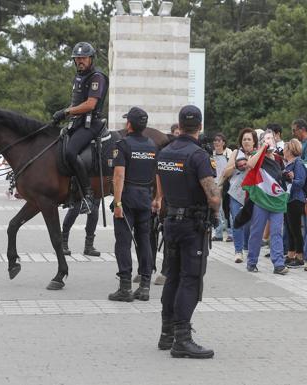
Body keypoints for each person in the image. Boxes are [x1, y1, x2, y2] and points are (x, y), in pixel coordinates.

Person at [156, 105, 219, 359]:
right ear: (200, 126)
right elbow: (213, 196)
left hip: (170, 221)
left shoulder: (165, 152)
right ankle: (182, 338)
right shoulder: (199, 155)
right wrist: (216, 211)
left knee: (172, 277)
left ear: (179, 125)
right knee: (190, 278)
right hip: (192, 225)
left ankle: (166, 333)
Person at [107, 107, 158, 302]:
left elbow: (119, 175)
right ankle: (144, 286)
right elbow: (157, 174)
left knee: (123, 243)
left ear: (129, 124)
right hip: (145, 197)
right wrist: (157, 198)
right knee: (144, 241)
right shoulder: (152, 145)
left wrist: (117, 202)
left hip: (127, 198)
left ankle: (125, 288)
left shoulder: (123, 145)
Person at [52, 42, 107, 214]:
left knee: (70, 151)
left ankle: (89, 195)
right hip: (77, 122)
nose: (80, 61)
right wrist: (63, 116)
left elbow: (90, 104)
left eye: (83, 58)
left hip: (92, 124)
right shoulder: (79, 77)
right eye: (77, 59)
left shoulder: (97, 77)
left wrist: (66, 111)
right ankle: (70, 192)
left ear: (91, 59)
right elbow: (76, 102)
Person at [245, 129, 289, 274]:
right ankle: (252, 261)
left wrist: (287, 176)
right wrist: (262, 149)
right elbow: (250, 165)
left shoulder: (278, 159)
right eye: (266, 139)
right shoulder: (258, 156)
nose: (269, 141)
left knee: (277, 232)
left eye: (271, 139)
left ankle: (278, 264)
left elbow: (280, 175)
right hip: (261, 200)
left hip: (276, 201)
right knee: (257, 231)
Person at [222, 128, 257, 263]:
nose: (246, 141)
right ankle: (238, 251)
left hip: (253, 193)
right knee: (237, 221)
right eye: (244, 139)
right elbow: (226, 172)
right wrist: (237, 166)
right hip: (236, 192)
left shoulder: (257, 154)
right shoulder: (236, 153)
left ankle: (248, 249)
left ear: (254, 141)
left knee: (250, 223)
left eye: (249, 139)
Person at [283, 139, 307, 268]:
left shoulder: (298, 163)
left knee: (295, 229)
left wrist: (291, 178)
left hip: (296, 200)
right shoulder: (289, 163)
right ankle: (290, 254)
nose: (284, 151)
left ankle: (299, 256)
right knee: (289, 228)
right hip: (288, 199)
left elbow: (300, 182)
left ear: (291, 150)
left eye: (286, 149)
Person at [212, 133, 233, 242]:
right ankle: (218, 233)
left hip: (227, 184)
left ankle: (231, 234)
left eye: (219, 140)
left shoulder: (229, 153)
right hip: (215, 184)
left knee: (227, 209)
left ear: (223, 142)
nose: (216, 142)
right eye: (215, 140)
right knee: (217, 209)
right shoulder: (212, 154)